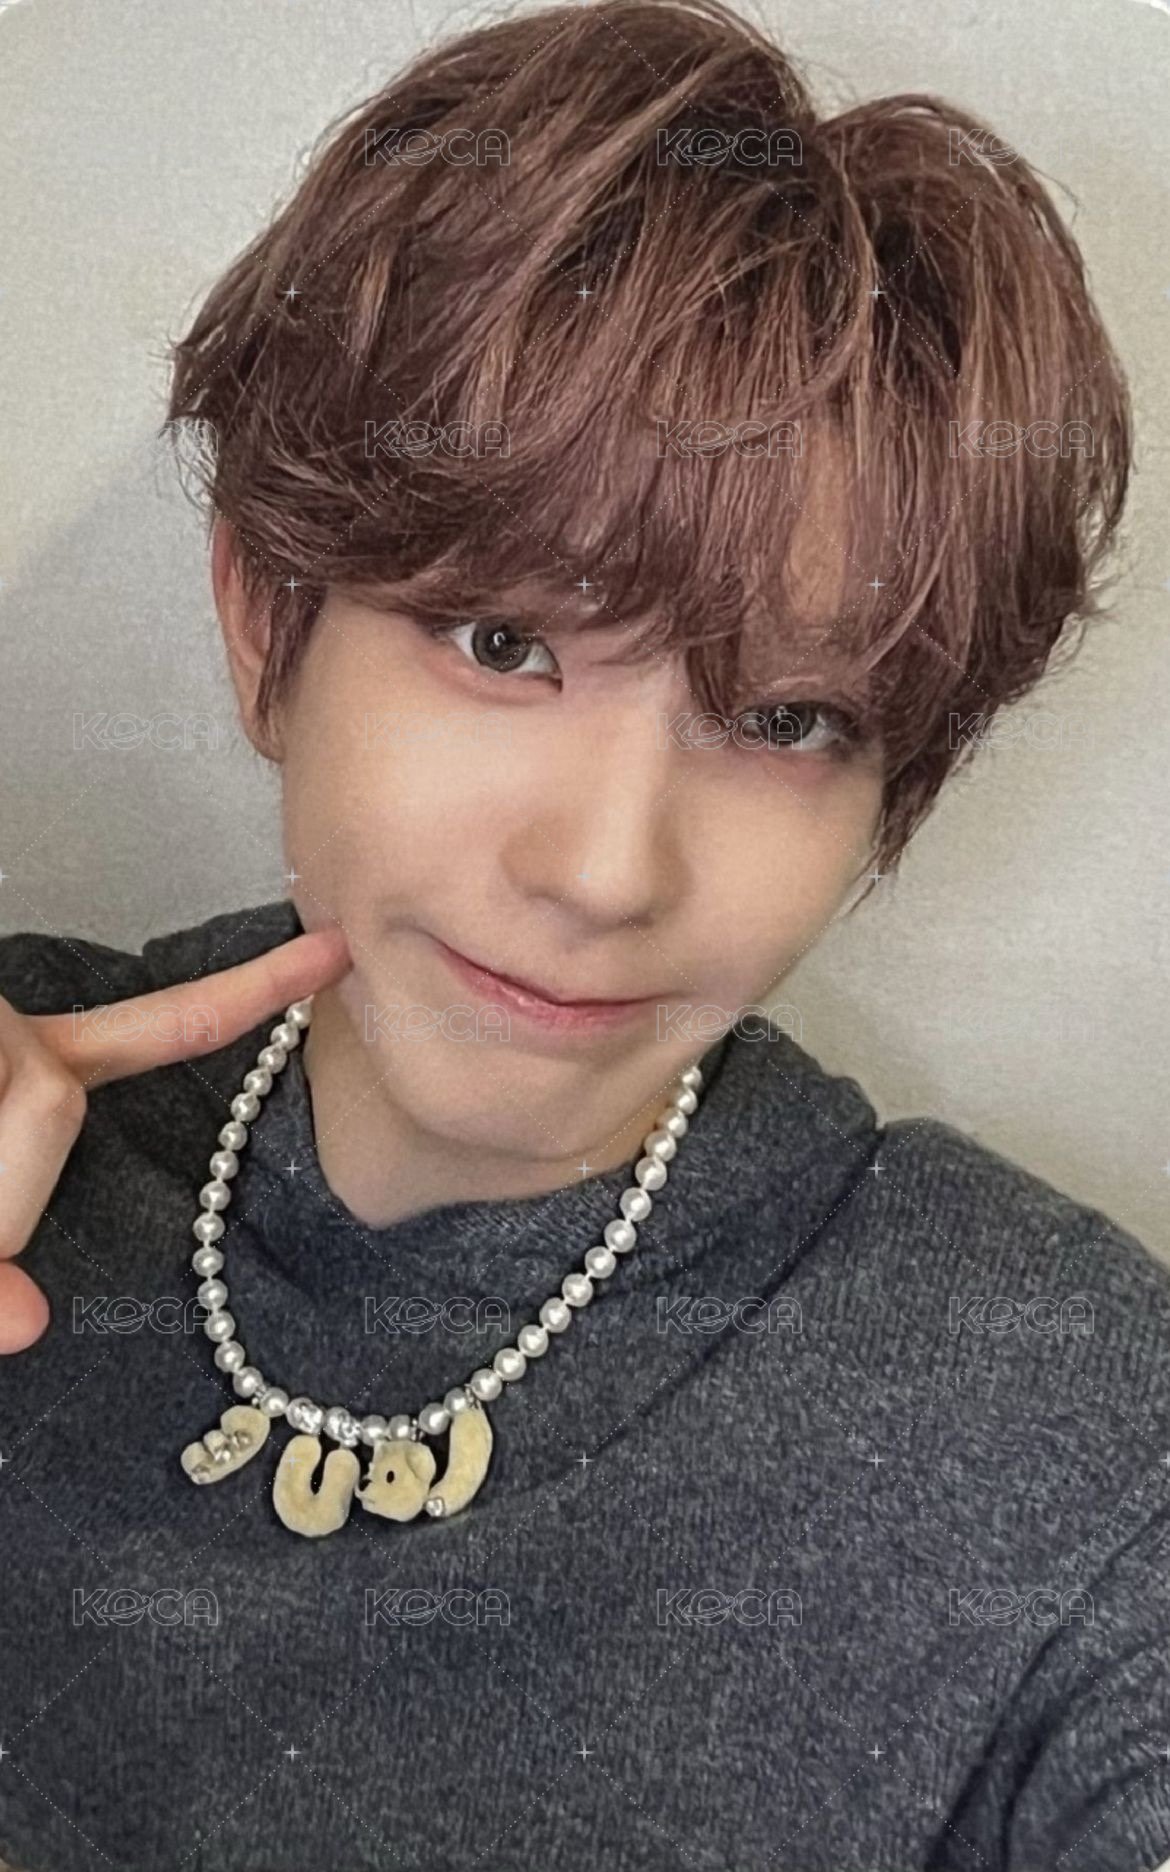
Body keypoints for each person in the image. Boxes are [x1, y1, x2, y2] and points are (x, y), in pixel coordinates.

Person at [1, 1, 1166, 1867]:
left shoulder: (1067, 1418)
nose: (609, 872)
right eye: (506, 643)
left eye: (784, 718)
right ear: (266, 619)